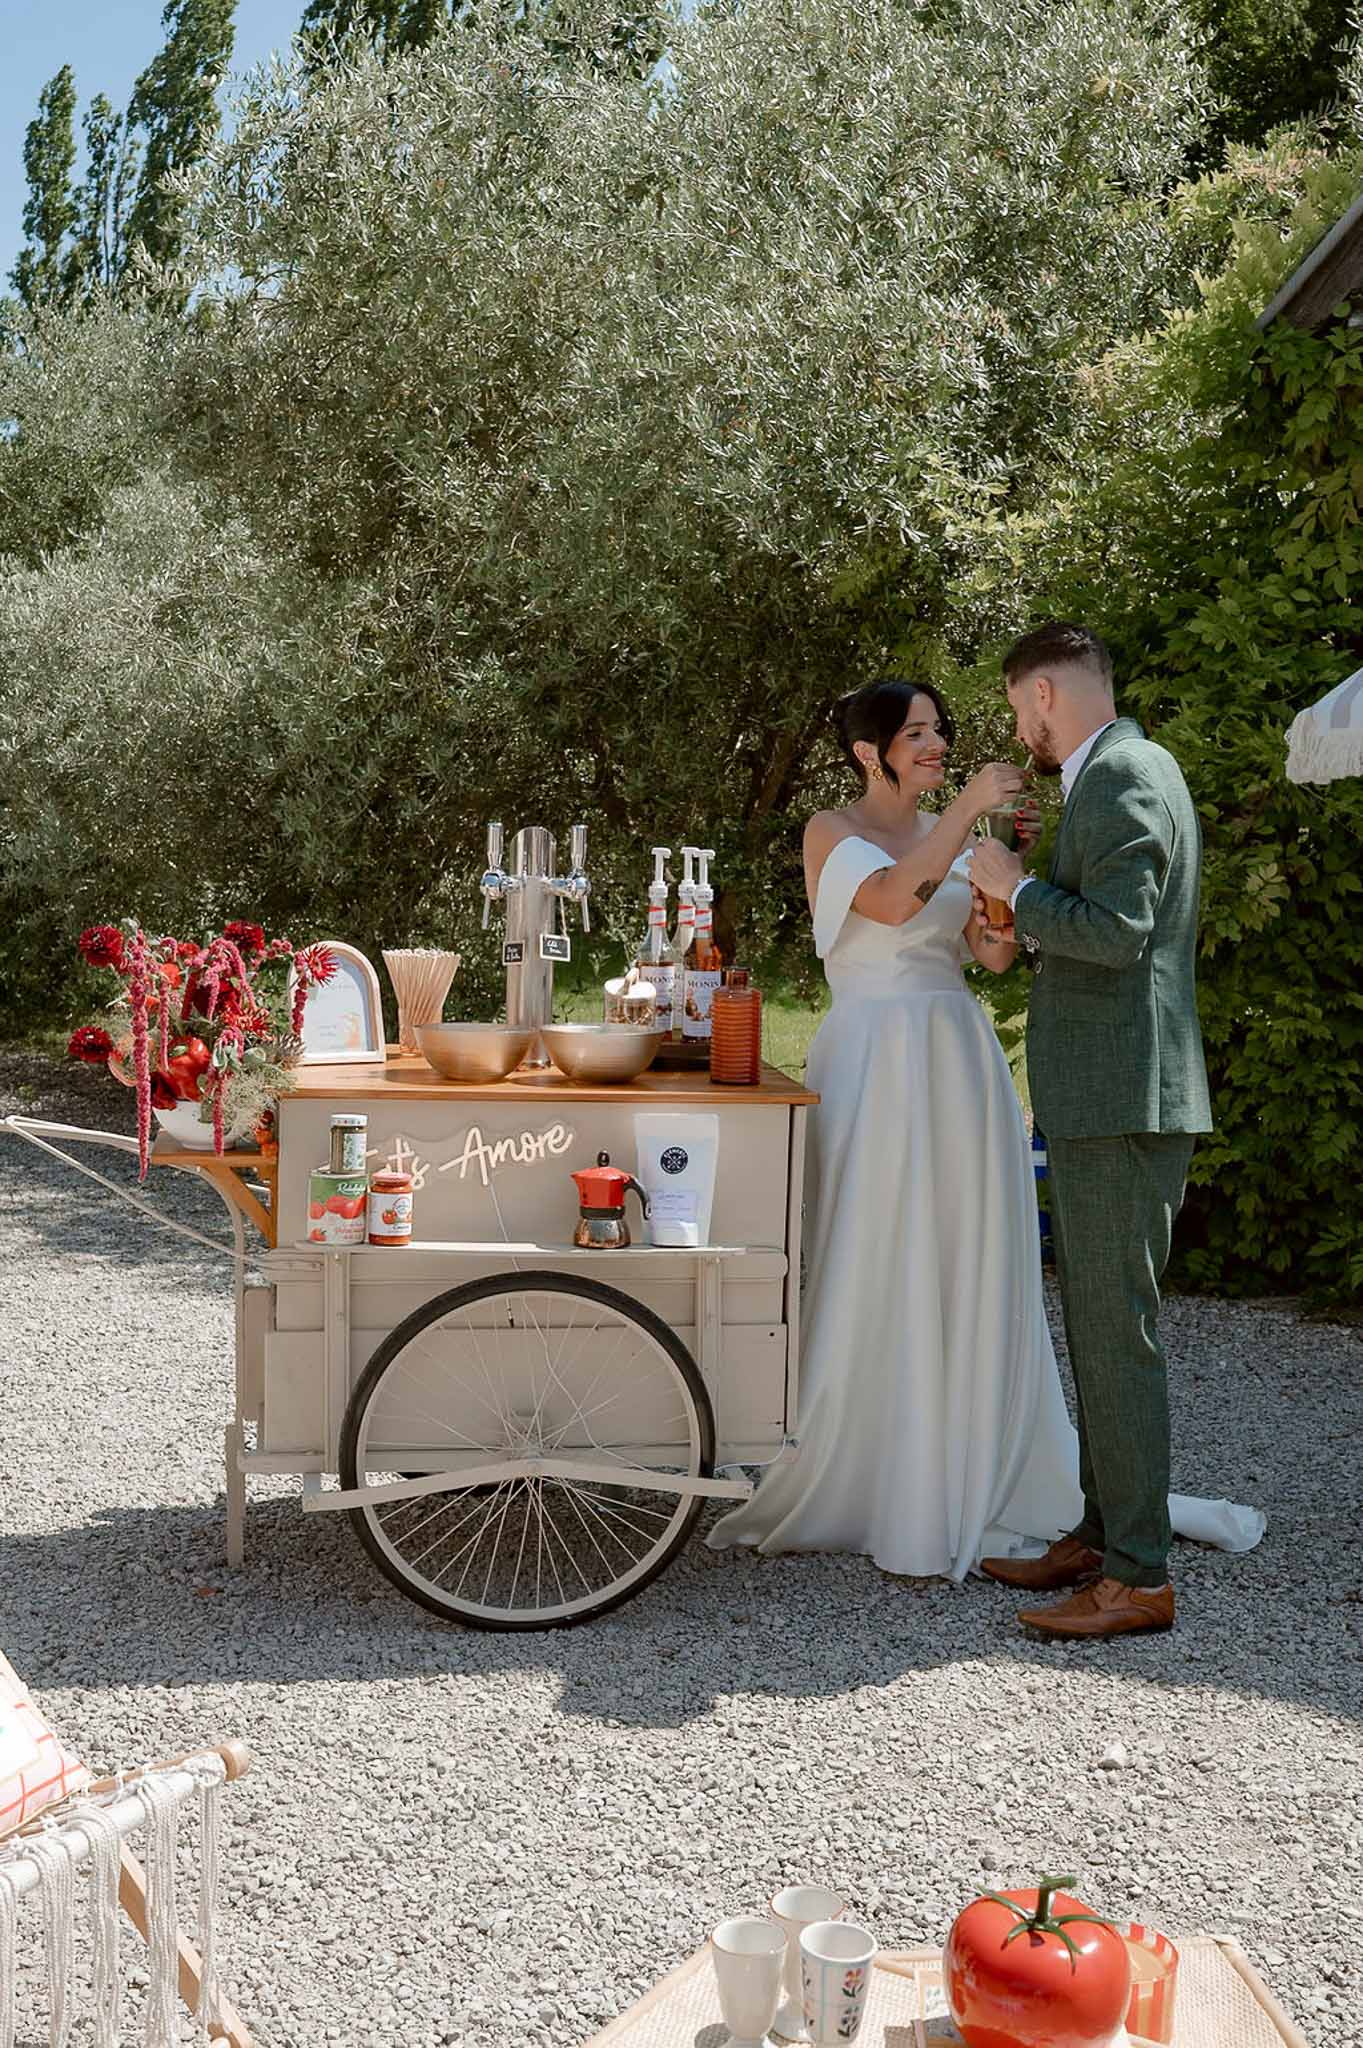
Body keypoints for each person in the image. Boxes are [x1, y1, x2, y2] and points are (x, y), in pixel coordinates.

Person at [707, 671, 1263, 1599]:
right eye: (916, 733)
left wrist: (1011, 888)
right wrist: (969, 813)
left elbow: (992, 955)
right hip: (875, 1056)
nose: (935, 745)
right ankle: (873, 1469)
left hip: (956, 1059)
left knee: (965, 1255)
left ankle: (979, 1462)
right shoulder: (831, 832)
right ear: (865, 751)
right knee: (875, 1249)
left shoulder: (964, 843)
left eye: (940, 732)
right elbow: (886, 904)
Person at [969, 621, 1237, 1639]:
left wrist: (1017, 889)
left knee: (1115, 1334)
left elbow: (1120, 935)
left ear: (1041, 693)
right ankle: (1099, 1534)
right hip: (1107, 1094)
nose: (1016, 729)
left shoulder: (1123, 772)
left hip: (1121, 1100)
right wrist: (1031, 896)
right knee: (1091, 1319)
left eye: (1012, 708)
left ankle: (1138, 1577)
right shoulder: (1112, 773)